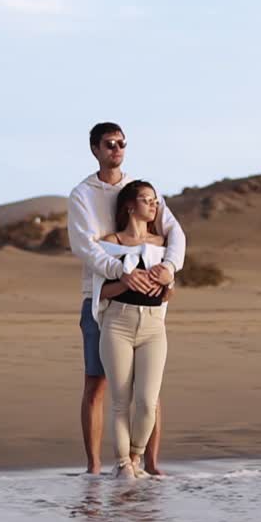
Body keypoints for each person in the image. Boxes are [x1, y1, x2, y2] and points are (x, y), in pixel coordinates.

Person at [67, 122, 185, 475]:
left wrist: (169, 267)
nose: (117, 149)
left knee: (149, 390)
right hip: (101, 297)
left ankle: (150, 463)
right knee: (97, 382)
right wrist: (121, 272)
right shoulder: (82, 194)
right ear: (95, 149)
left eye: (121, 143)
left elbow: (174, 233)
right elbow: (85, 246)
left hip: (148, 305)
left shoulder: (142, 191)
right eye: (109, 144)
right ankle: (94, 467)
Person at [92, 181, 172, 478]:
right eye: (145, 199)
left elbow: (168, 294)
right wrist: (126, 281)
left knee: (148, 402)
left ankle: (136, 457)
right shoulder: (109, 243)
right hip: (118, 323)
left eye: (155, 201)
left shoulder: (162, 245)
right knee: (120, 401)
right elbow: (99, 292)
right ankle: (123, 463)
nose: (153, 205)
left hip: (154, 326)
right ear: (129, 205)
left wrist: (165, 281)